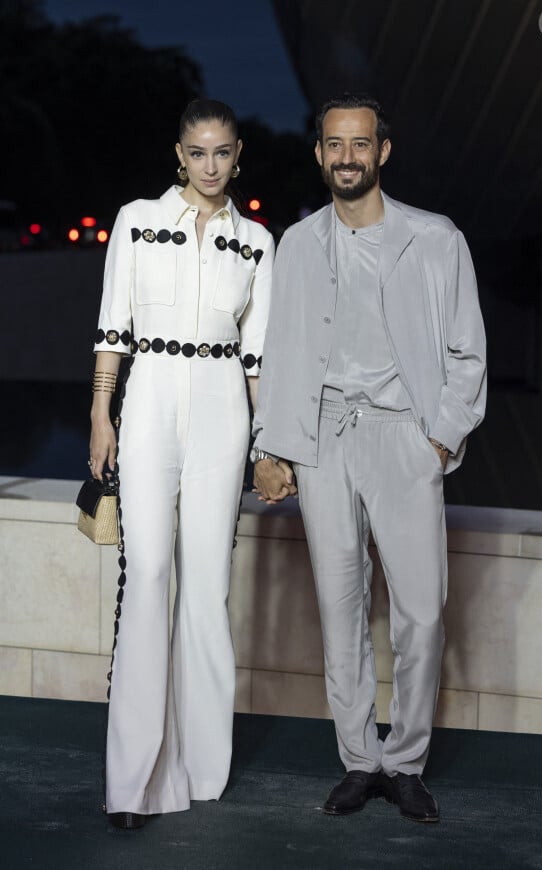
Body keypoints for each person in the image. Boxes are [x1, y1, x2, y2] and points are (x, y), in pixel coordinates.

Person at [252, 93, 486, 823]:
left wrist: (439, 437)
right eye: (334, 144)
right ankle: (359, 760)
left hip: (403, 438)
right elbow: (283, 353)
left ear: (382, 151)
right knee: (339, 606)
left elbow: (467, 350)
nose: (347, 157)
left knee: (420, 611)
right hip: (323, 439)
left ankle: (405, 762)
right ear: (319, 154)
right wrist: (273, 447)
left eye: (360, 144)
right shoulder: (298, 243)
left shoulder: (435, 238)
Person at [88, 98, 273, 829]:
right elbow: (113, 322)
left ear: (237, 155)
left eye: (222, 152)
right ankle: (133, 781)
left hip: (225, 406)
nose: (210, 165)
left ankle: (200, 767)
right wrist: (102, 412)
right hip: (152, 398)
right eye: (198, 152)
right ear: (178, 155)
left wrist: (267, 446)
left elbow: (258, 358)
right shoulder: (137, 219)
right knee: (149, 577)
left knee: (206, 584)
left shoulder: (258, 241)